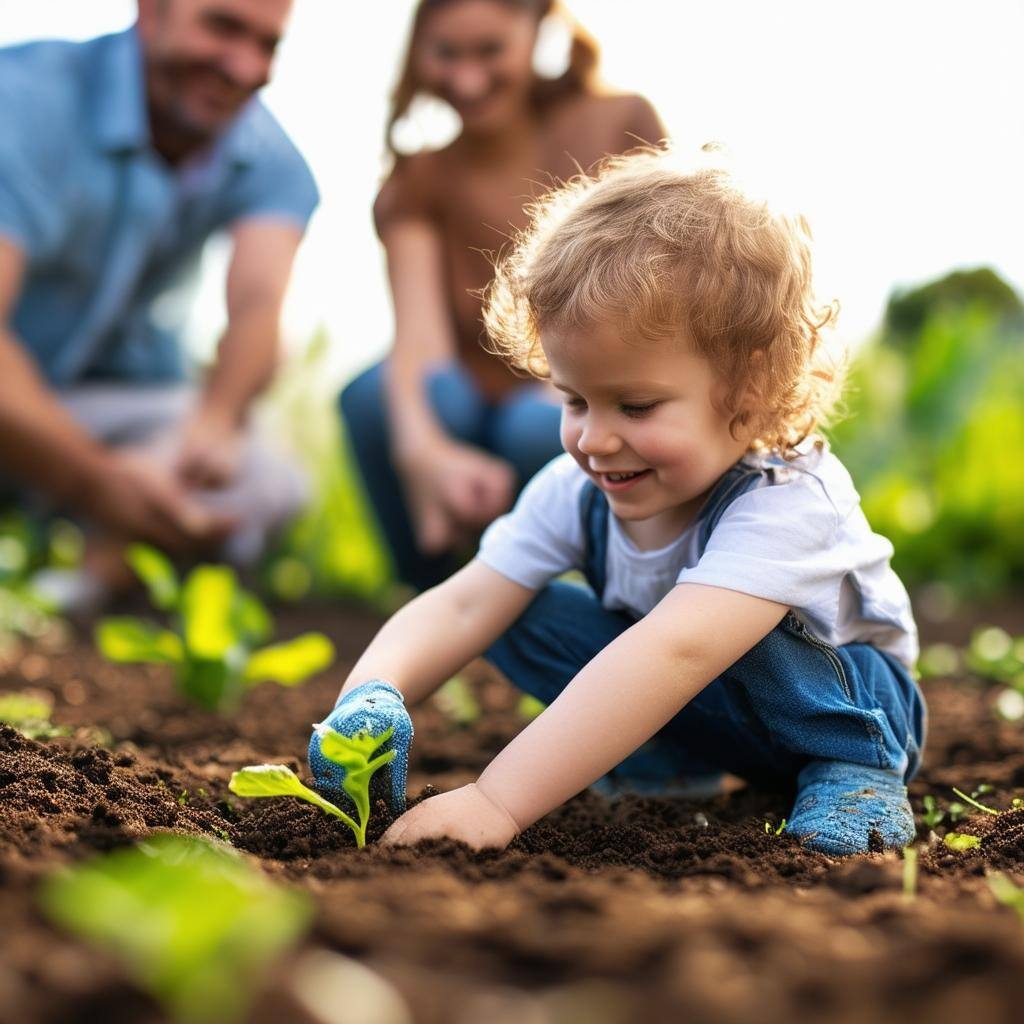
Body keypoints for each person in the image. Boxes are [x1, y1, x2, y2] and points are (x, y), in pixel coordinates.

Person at [310, 147, 926, 857]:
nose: (594, 439)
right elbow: (462, 603)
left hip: (854, 709)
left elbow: (677, 650)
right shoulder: (577, 491)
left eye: (635, 405)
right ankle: (664, 763)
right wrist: (372, 694)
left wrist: (496, 800)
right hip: (710, 708)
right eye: (573, 399)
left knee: (728, 628)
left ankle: (859, 771)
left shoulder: (788, 503)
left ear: (750, 386)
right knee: (516, 611)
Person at [341, 0, 664, 590]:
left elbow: (655, 300)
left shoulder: (618, 124)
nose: (467, 79)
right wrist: (426, 455)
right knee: (373, 398)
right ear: (419, 53)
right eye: (447, 54)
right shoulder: (419, 178)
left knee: (533, 426)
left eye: (489, 50)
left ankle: (611, 590)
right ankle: (435, 591)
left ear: (537, 26)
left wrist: (574, 394)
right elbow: (417, 343)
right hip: (468, 402)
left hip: (586, 390)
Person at [0, 0, 317, 593]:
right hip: (19, 400)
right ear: (151, 11)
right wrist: (95, 481)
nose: (243, 67)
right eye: (221, 26)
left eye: (267, 45)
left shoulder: (271, 160)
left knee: (269, 480)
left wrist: (212, 424)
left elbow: (257, 310)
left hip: (91, 409)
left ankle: (74, 587)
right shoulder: (21, 100)